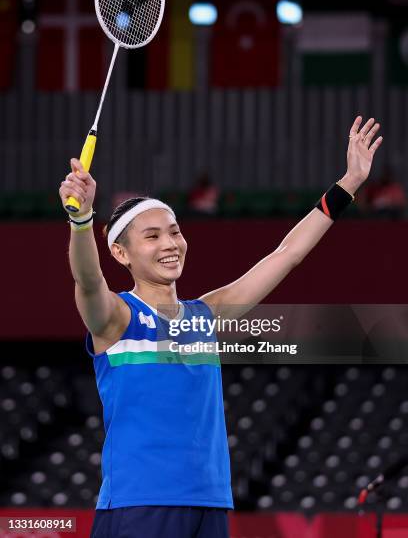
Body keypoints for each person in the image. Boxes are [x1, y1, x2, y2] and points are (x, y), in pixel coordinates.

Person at [59, 116, 382, 538]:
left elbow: (287, 254)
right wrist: (81, 222)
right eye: (152, 237)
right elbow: (87, 279)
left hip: (210, 504)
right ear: (121, 253)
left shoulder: (206, 315)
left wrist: (350, 183)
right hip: (140, 504)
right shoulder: (116, 319)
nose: (170, 244)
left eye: (174, 231)